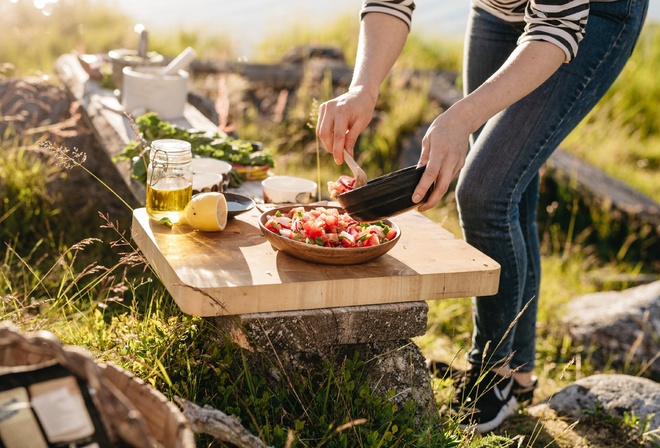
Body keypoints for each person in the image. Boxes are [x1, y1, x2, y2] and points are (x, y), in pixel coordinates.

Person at [316, 0, 649, 433]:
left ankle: (491, 374)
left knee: (485, 192)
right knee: (513, 189)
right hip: (497, 11)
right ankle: (518, 374)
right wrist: (364, 86)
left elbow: (557, 25)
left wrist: (460, 117)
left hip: (585, 18)